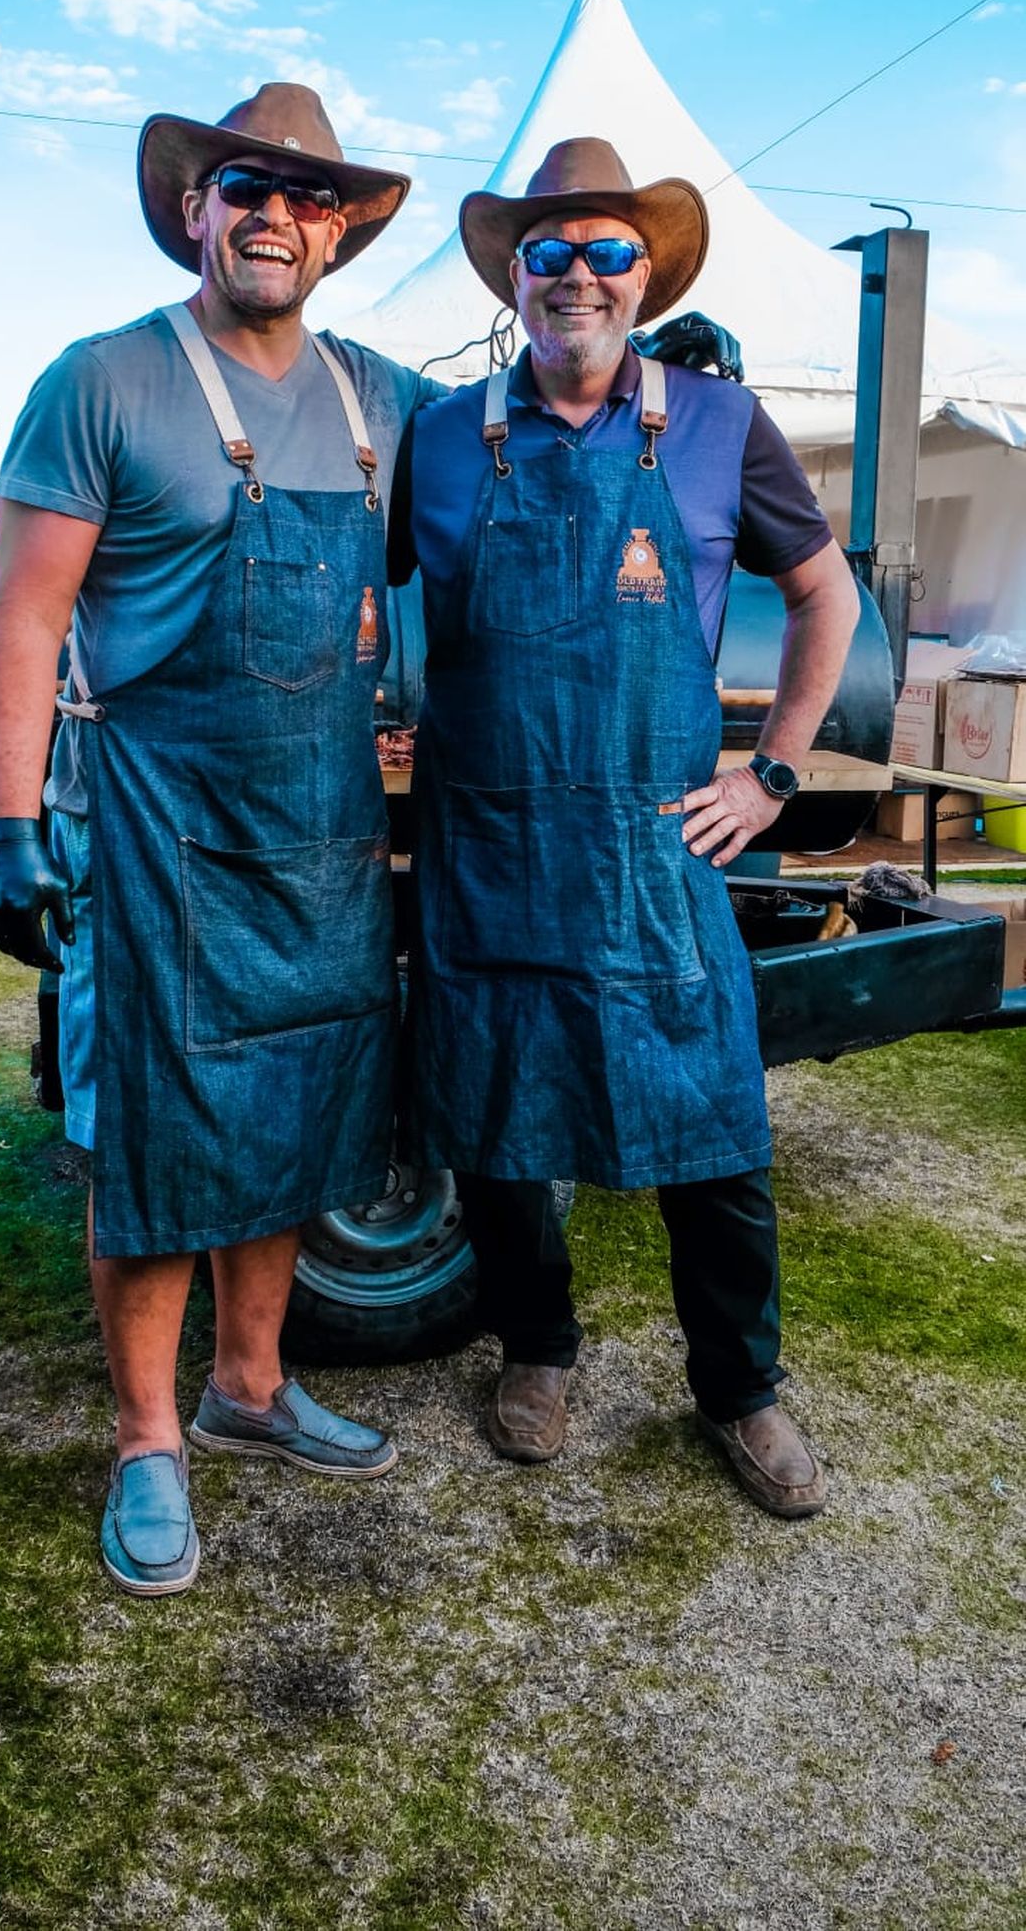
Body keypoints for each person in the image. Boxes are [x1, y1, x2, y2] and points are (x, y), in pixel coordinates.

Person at [0, 84, 439, 1596]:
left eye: (311, 197)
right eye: (249, 185)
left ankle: (252, 1386)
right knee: (161, 1144)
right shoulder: (104, 380)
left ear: (343, 231)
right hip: (159, 830)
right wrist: (7, 823)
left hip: (318, 837)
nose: (276, 216)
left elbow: (524, 477)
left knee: (299, 1116)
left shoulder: (385, 399)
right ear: (196, 205)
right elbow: (25, 621)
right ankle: (149, 1437)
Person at [396, 137, 860, 1517]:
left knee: (710, 1131)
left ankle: (741, 1388)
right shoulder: (440, 433)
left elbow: (829, 598)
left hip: (659, 851)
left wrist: (770, 773)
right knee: (493, 1119)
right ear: (517, 277)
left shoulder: (720, 424)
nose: (578, 276)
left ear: (645, 275)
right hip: (488, 848)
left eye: (606, 251)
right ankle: (538, 1348)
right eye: (550, 253)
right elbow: (349, 599)